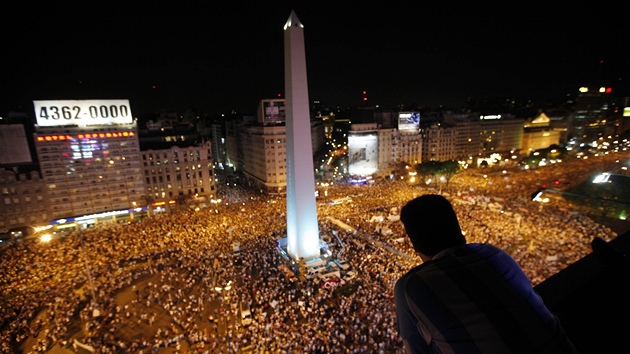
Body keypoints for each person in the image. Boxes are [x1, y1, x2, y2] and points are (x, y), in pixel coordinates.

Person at [394, 194, 578, 354]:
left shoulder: (411, 286)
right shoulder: (495, 254)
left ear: (415, 245)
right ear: (458, 228)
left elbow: (417, 349)